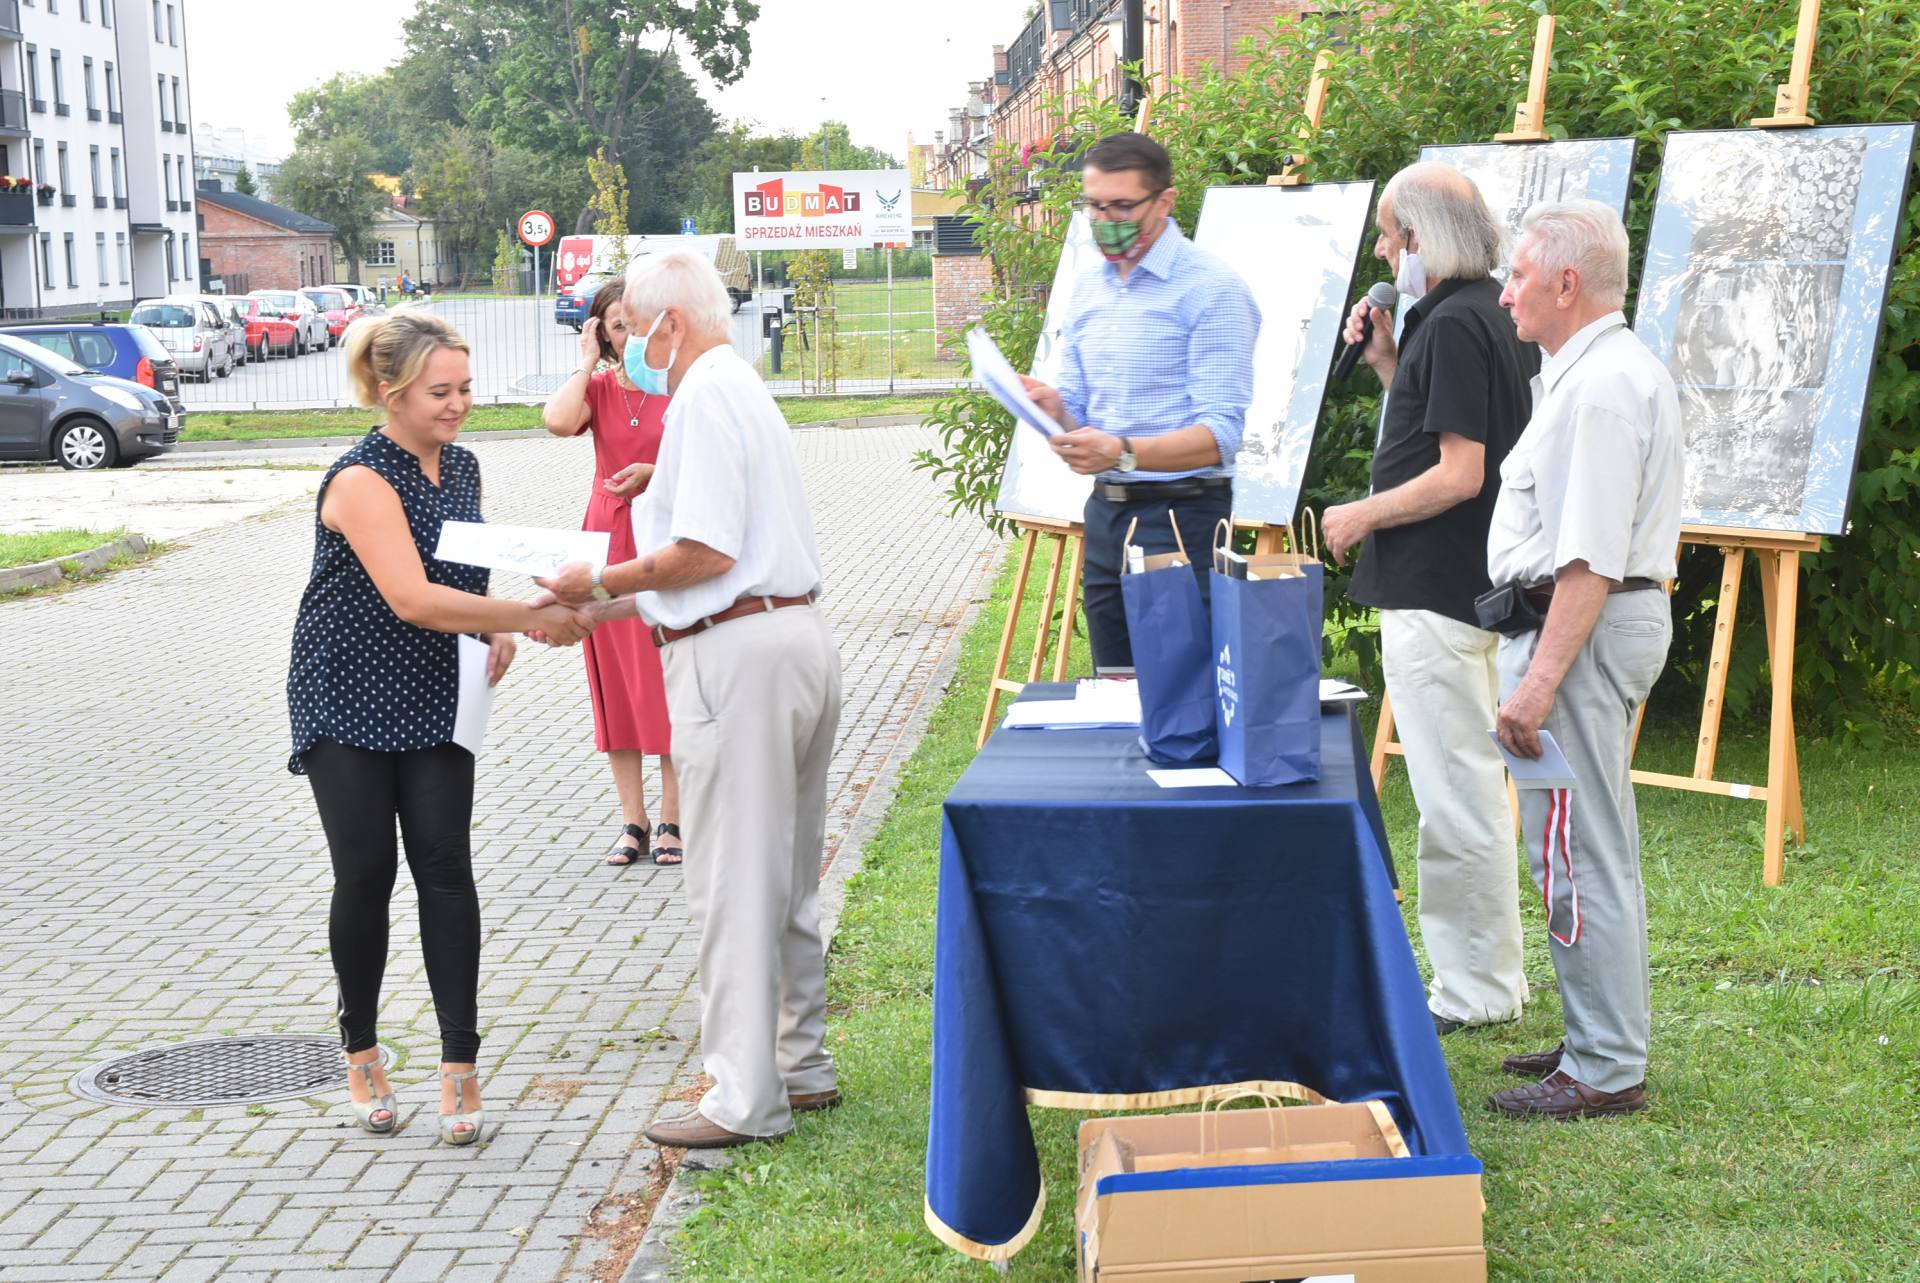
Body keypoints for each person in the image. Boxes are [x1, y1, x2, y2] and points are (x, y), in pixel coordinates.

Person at [538, 250, 842, 1149]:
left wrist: (600, 575)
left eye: (632, 324)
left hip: (733, 656)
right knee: (783, 872)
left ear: (670, 323)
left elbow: (704, 555)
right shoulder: (736, 385)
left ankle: (744, 1097)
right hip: (788, 637)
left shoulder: (702, 394)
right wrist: (608, 604)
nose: (625, 340)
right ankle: (800, 1061)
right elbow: (720, 549)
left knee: (731, 880)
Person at [287, 311, 594, 1143]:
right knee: (366, 873)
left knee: (446, 868)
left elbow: (455, 565)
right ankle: (361, 1049)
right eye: (441, 391)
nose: (460, 404)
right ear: (391, 393)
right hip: (346, 690)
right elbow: (412, 597)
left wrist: (493, 623)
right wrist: (529, 618)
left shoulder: (461, 466)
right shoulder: (359, 480)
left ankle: (460, 1065)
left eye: (464, 387)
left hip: (430, 686)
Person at [1321, 164, 1540, 1037]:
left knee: (1456, 793)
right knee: (1465, 786)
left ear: (1421, 239)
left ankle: (1477, 988)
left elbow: (1459, 472)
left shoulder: (1453, 323)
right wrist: (1385, 360)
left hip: (1435, 584)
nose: (1380, 253)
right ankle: (1483, 975)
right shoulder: (1482, 313)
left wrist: (1357, 515)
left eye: (1387, 237)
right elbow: (1431, 438)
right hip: (1466, 582)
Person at [1484, 200, 1683, 1119]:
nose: (1506, 288)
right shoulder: (1588, 373)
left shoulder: (1602, 386)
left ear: (1567, 283)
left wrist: (1536, 682)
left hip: (1583, 631)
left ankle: (1604, 1064)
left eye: (1519, 273)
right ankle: (1594, 1037)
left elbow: (1589, 558)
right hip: (1591, 627)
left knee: (1576, 850)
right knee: (1585, 842)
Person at [1019, 131, 1261, 669]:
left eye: (1123, 206)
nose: (1106, 220)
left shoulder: (1212, 290)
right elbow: (1082, 413)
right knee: (1117, 684)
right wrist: (1051, 408)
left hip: (1182, 517)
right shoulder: (1088, 288)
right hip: (1108, 515)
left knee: (1183, 696)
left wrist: (1123, 451)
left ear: (1165, 202)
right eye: (1094, 206)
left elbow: (1220, 435)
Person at [541, 278, 682, 868]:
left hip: (663, 534)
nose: (627, 336)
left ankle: (674, 818)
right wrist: (584, 359)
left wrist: (658, 468)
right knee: (617, 685)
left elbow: (699, 458)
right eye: (615, 326)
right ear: (601, 331)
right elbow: (555, 421)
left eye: (633, 323)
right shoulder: (597, 388)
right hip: (606, 537)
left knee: (667, 676)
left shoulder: (678, 384)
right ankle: (634, 821)